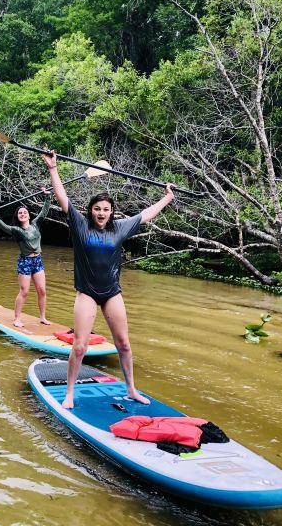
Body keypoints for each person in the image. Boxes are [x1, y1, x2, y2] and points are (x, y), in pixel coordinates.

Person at [43, 151, 175, 409]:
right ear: (91, 211)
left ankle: (132, 389)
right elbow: (62, 198)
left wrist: (168, 197)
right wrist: (53, 169)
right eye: (97, 209)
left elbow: (147, 214)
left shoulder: (120, 227)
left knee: (123, 344)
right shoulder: (81, 226)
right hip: (87, 294)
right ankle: (69, 393)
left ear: (111, 212)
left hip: (112, 292)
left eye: (105, 210)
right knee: (80, 346)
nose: (101, 213)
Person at [0, 189, 53, 328]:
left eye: (25, 212)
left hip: (38, 260)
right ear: (18, 216)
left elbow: (45, 210)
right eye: (20, 213)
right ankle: (17, 318)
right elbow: (4, 227)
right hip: (25, 261)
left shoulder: (36, 223)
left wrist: (48, 196)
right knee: (25, 291)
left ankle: (43, 317)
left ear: (28, 215)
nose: (23, 214)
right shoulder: (16, 230)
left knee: (42, 290)